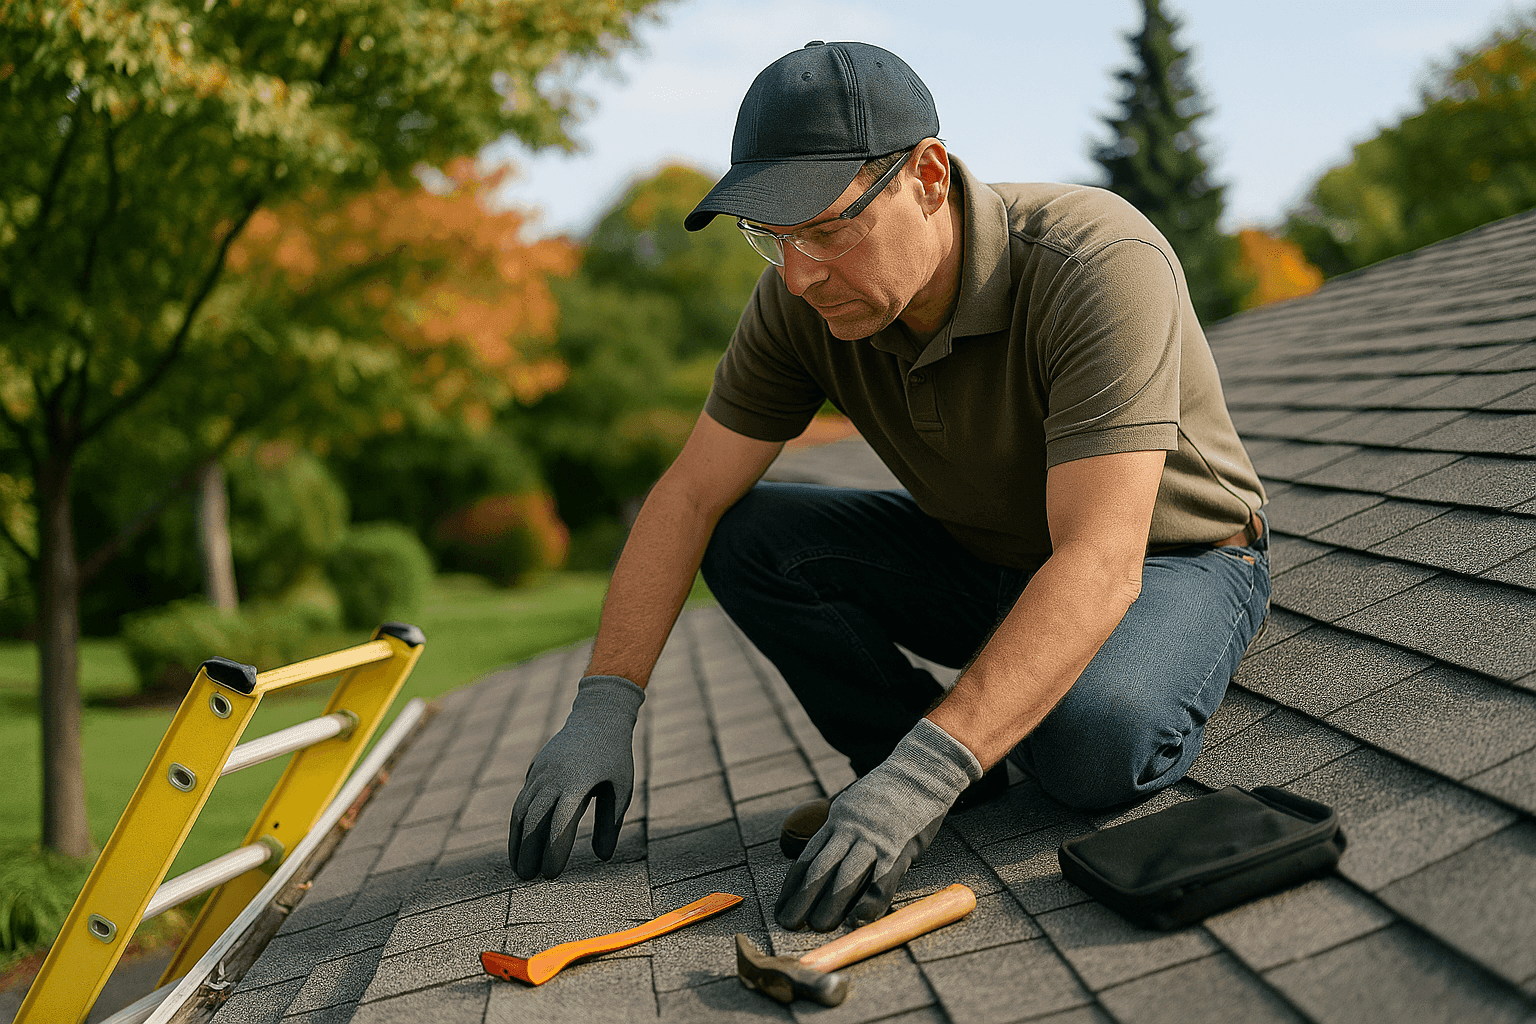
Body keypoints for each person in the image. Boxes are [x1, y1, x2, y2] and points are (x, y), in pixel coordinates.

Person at [508, 40, 1269, 934]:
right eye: (772, 238)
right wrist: (603, 705)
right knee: (749, 535)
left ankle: (928, 772)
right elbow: (686, 498)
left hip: (1171, 560)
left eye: (827, 230)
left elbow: (1101, 561)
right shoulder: (799, 304)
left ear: (929, 177)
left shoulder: (1094, 261)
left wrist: (923, 775)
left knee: (1092, 742)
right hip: (986, 562)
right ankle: (939, 776)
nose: (799, 274)